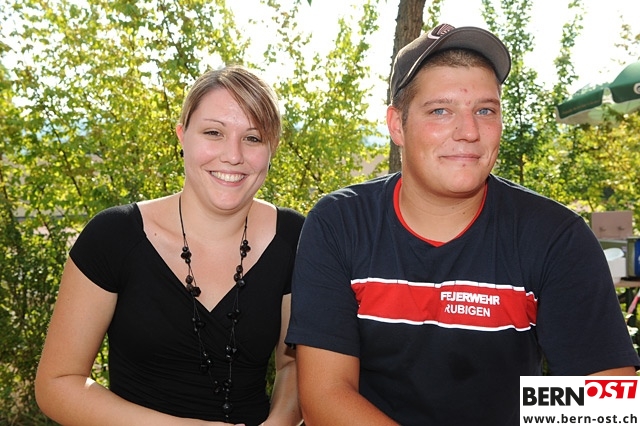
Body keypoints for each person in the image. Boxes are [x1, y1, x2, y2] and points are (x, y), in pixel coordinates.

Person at [285, 23, 640, 426]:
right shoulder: (340, 223)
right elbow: (325, 396)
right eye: (441, 111)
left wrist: (540, 409)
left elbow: (606, 400)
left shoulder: (555, 236)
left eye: (485, 111)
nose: (469, 132)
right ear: (397, 125)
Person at [35, 65, 304, 426]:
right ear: (182, 136)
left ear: (272, 148)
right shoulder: (114, 236)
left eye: (253, 138)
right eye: (214, 132)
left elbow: (294, 364)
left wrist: (278, 423)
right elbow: (58, 383)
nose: (233, 155)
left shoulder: (295, 239)